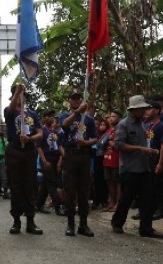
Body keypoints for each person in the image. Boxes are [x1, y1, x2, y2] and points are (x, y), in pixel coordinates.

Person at [110, 95, 163, 238]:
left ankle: (146, 228)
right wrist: (140, 149)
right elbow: (119, 145)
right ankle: (117, 222)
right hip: (129, 169)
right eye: (141, 109)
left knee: (148, 199)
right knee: (126, 198)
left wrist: (151, 151)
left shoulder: (145, 124)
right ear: (133, 110)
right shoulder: (123, 124)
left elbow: (145, 143)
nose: (144, 111)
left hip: (145, 167)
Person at [2, 84, 44, 235]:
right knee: (15, 186)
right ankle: (16, 221)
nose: (20, 97)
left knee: (30, 186)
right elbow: (11, 109)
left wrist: (30, 139)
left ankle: (30, 221)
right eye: (16, 94)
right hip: (14, 151)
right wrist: (17, 92)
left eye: (22, 94)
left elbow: (40, 133)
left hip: (29, 151)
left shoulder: (32, 114)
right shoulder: (9, 111)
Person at [59, 92, 97, 237]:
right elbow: (64, 125)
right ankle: (70, 224)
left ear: (82, 100)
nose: (76, 101)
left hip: (84, 155)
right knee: (70, 190)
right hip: (70, 154)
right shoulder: (64, 116)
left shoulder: (89, 120)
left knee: (84, 190)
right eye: (73, 98)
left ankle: (83, 224)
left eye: (78, 99)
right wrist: (77, 113)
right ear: (69, 101)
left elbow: (95, 138)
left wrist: (86, 142)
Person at [36, 109, 65, 216]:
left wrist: (64, 157)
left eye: (53, 116)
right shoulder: (42, 131)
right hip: (46, 158)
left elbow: (60, 146)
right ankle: (58, 207)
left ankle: (38, 204)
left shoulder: (55, 132)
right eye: (50, 116)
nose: (52, 118)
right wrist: (44, 161)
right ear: (45, 118)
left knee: (45, 183)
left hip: (55, 158)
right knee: (52, 183)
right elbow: (39, 147)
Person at [145, 102, 163, 220]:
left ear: (156, 111)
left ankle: (160, 210)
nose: (147, 111)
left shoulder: (161, 126)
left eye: (149, 109)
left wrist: (160, 162)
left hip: (156, 158)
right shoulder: (147, 125)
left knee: (158, 184)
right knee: (148, 185)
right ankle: (149, 209)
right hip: (147, 158)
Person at [102, 111, 121, 212]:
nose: (110, 118)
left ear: (119, 118)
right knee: (109, 181)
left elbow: (120, 145)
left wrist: (110, 142)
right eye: (110, 116)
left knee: (117, 182)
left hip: (117, 159)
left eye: (113, 116)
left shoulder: (120, 130)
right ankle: (112, 202)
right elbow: (101, 144)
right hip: (107, 159)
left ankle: (118, 203)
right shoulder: (107, 131)